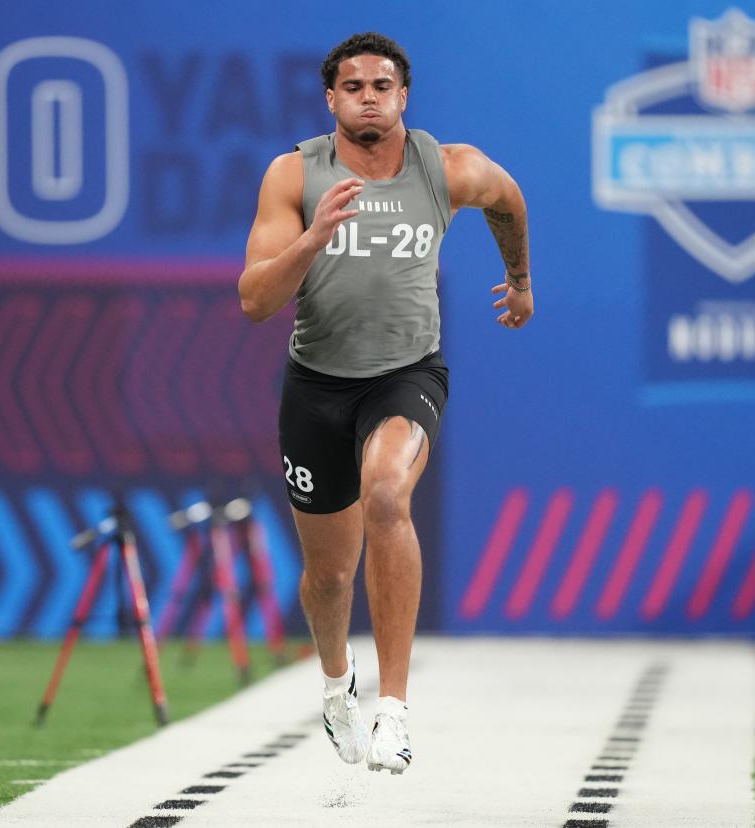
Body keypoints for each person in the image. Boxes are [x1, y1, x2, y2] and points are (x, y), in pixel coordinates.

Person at [238, 31, 533, 774]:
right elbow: (253, 302)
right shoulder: (294, 175)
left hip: (406, 375)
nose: (368, 97)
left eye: (382, 86)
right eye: (353, 86)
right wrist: (313, 240)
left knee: (387, 496)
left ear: (404, 96)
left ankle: (394, 713)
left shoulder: (448, 167)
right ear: (330, 98)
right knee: (330, 575)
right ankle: (338, 684)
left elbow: (509, 199)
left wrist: (520, 278)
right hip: (316, 386)